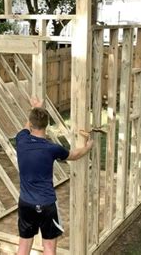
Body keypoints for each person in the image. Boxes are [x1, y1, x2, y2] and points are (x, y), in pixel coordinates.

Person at [16, 97, 94, 255]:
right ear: (47, 125)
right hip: (46, 205)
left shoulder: (21, 139)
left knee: (23, 247)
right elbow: (74, 155)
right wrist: (88, 147)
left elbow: (26, 126)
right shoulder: (52, 148)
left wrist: (34, 108)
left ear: (31, 124)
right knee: (49, 248)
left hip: (25, 204)